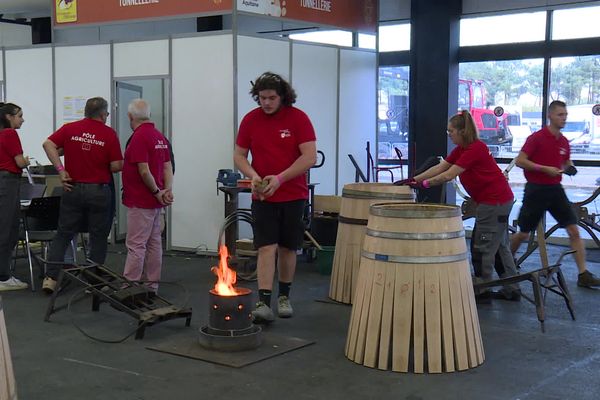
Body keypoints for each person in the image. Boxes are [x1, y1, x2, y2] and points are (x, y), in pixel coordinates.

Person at [404, 110, 521, 302]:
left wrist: (424, 185)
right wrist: (412, 179)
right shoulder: (462, 149)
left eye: (451, 131)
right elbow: (440, 167)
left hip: (494, 203)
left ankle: (482, 290)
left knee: (482, 246)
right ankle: (512, 288)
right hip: (497, 201)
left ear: (462, 131)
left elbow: (449, 175)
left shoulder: (475, 149)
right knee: (500, 246)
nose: (448, 134)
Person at [234, 72, 317, 322]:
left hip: (293, 195)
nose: (266, 103)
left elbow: (309, 157)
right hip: (263, 196)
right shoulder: (250, 120)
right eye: (262, 98)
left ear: (282, 97)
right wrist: (254, 176)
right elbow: (239, 156)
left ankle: (284, 296)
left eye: (271, 98)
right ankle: (263, 301)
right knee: (266, 248)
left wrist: (280, 178)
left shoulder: (298, 119)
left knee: (288, 248)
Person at [510, 100, 600, 288]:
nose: (564, 118)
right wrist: (543, 169)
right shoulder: (537, 138)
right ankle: (506, 262)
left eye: (565, 115)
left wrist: (570, 167)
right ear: (550, 116)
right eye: (560, 115)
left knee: (574, 230)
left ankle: (583, 274)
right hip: (536, 190)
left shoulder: (564, 141)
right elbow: (520, 161)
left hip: (555, 190)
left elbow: (566, 161)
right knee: (523, 234)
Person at [42, 97, 123, 293]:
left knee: (64, 233)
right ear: (103, 114)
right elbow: (116, 165)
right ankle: (92, 281)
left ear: (85, 112)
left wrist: (61, 170)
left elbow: (47, 144)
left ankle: (51, 278)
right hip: (98, 191)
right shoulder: (109, 134)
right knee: (98, 235)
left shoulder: (70, 129)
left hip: (72, 188)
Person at [121, 99, 173, 293]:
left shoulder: (139, 138)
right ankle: (152, 285)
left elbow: (144, 171)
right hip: (155, 202)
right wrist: (166, 191)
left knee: (136, 244)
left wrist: (157, 192)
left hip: (141, 201)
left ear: (130, 116)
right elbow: (168, 167)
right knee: (154, 243)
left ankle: (130, 285)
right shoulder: (159, 137)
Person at [0, 103, 30, 291]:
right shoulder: (9, 134)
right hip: (7, 182)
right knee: (7, 230)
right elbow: (19, 161)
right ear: (9, 117)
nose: (22, 119)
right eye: (19, 115)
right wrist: (26, 161)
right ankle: (3, 277)